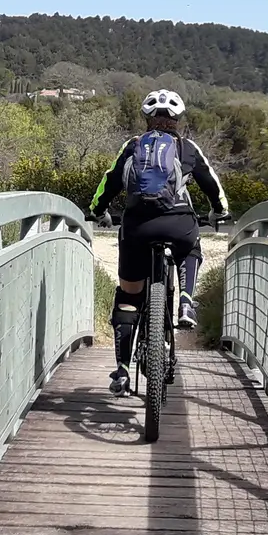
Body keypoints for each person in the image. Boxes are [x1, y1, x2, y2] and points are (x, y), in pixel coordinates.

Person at [87, 89, 230, 396]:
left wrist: (97, 211)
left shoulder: (133, 145)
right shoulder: (186, 147)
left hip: (137, 227)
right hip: (178, 223)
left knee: (128, 296)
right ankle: (187, 300)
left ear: (147, 118)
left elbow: (109, 181)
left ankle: (123, 370)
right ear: (177, 119)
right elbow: (211, 185)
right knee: (191, 248)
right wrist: (220, 212)